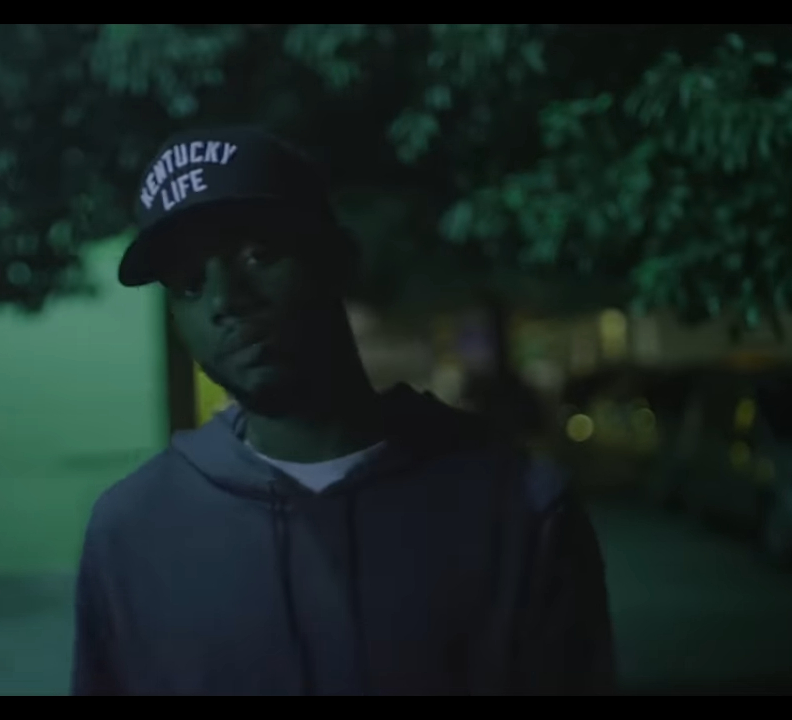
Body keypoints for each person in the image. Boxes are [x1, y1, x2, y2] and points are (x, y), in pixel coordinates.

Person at [71, 126, 616, 696]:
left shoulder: (519, 511)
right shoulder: (131, 534)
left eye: (259, 254)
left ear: (336, 260)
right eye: (187, 284)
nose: (225, 300)